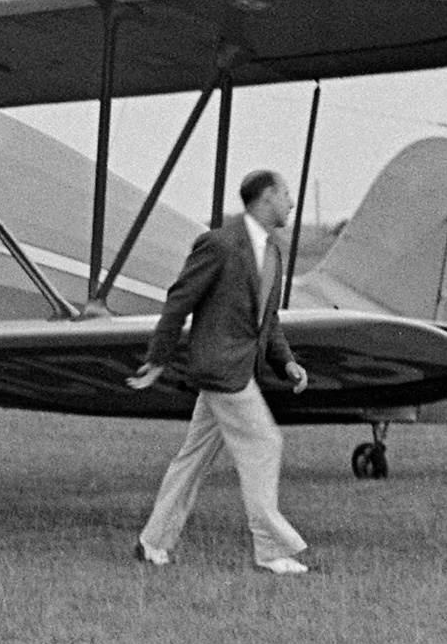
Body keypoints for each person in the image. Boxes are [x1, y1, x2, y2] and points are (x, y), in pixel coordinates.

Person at [125, 170, 311, 575]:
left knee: (191, 459)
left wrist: (287, 362)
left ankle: (152, 543)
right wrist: (158, 358)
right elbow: (180, 299)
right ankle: (271, 549)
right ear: (266, 198)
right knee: (265, 444)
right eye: (286, 195)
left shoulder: (273, 253)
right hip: (221, 370)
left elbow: (268, 319)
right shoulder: (219, 244)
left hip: (236, 369)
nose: (292, 203)